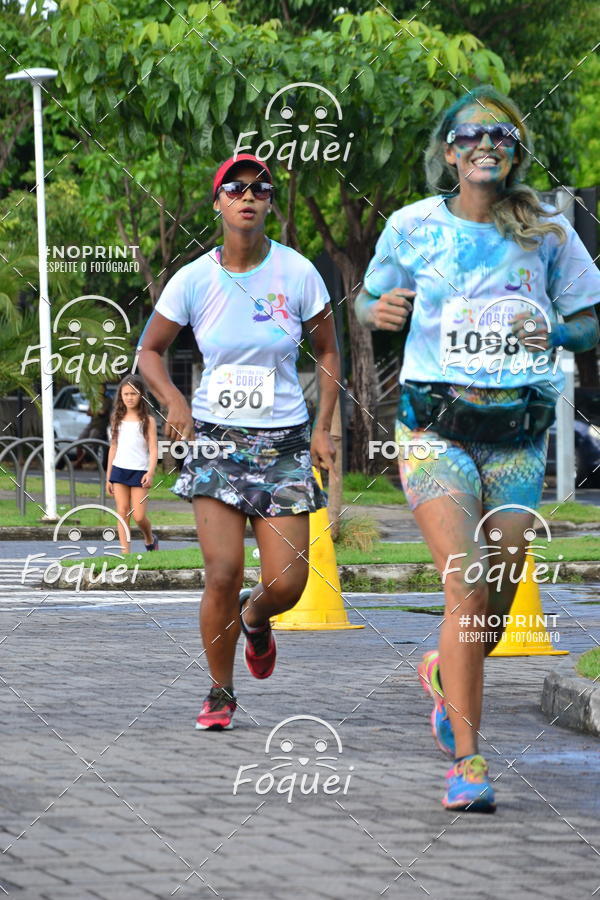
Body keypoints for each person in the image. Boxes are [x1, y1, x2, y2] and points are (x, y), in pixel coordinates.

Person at [356, 85, 600, 812]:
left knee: (491, 608)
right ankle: (468, 762)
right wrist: (377, 309)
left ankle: (443, 671)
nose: (485, 144)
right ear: (449, 152)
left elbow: (589, 322)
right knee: (465, 588)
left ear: (515, 152)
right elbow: (368, 299)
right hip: (435, 430)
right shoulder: (412, 226)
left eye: (500, 136)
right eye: (470, 136)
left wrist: (556, 332)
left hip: (518, 436)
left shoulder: (548, 232)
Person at [137, 154, 340, 731]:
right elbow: (148, 351)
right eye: (235, 187)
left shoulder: (298, 272)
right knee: (222, 572)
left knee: (288, 583)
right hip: (215, 443)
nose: (248, 196)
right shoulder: (194, 278)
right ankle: (220, 691)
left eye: (260, 188)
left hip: (283, 444)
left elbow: (328, 349)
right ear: (218, 202)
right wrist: (175, 402)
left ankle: (256, 615)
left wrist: (323, 426)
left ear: (269, 202)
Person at [106, 374, 159, 554]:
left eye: (133, 394)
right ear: (120, 395)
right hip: (119, 470)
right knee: (122, 512)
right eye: (126, 394)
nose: (129, 398)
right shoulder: (116, 418)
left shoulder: (148, 421)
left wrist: (150, 472)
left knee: (139, 516)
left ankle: (150, 538)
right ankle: (125, 554)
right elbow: (113, 447)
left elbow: (153, 449)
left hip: (140, 472)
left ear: (141, 395)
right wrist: (109, 477)